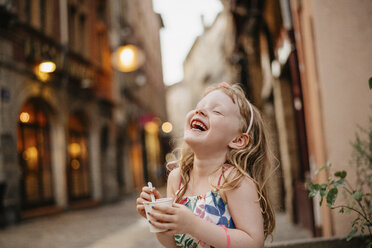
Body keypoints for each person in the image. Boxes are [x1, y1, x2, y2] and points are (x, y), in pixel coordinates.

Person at [136, 82, 276, 248]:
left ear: (238, 140)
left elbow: (253, 243)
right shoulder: (177, 179)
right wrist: (158, 220)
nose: (199, 111)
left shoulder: (234, 181)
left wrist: (193, 225)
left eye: (216, 111)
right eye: (198, 106)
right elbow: (173, 244)